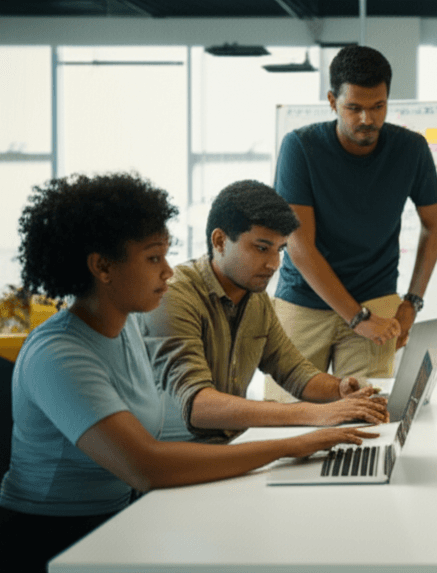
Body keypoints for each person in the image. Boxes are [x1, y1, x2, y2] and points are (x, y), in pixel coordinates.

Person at [0, 173, 377, 572]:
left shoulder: (127, 327)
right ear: (102, 267)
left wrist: (333, 398)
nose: (168, 271)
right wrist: (291, 444)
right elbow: (146, 467)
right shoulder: (58, 354)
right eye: (152, 258)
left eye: (165, 255)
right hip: (53, 540)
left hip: (119, 519)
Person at [142, 180, 389, 443]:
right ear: (220, 241)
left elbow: (294, 371)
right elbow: (197, 406)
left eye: (280, 249)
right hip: (178, 457)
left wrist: (339, 391)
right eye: (261, 248)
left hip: (230, 446)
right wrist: (313, 413)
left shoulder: (255, 299)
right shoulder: (174, 295)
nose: (274, 264)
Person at [273, 45, 437, 380]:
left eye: (378, 107)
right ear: (332, 101)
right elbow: (299, 246)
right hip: (305, 300)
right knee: (290, 416)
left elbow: (433, 225)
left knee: (367, 418)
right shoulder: (300, 147)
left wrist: (412, 302)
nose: (367, 119)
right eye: (354, 108)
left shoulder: (411, 149)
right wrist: (355, 317)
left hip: (377, 298)